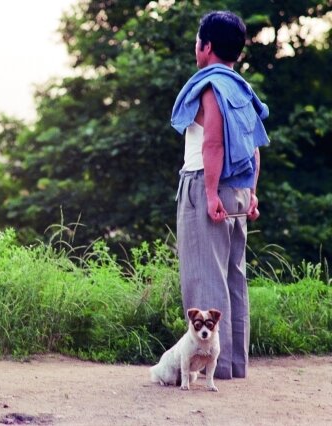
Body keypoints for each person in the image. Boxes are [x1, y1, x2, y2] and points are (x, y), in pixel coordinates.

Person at [170, 11, 270, 379]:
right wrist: (251, 192)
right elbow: (255, 147)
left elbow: (212, 140)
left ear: (207, 46)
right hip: (240, 190)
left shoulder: (210, 86)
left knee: (204, 278)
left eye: (198, 40)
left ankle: (215, 369)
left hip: (206, 184)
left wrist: (210, 193)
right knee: (233, 278)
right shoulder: (242, 89)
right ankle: (233, 364)